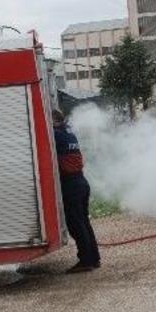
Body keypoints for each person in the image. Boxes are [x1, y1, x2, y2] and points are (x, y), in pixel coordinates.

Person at [52, 109, 101, 273]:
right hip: (81, 182)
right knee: (84, 223)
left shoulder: (56, 135)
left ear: (53, 121)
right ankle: (94, 258)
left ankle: (86, 260)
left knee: (76, 224)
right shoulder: (69, 133)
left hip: (71, 184)